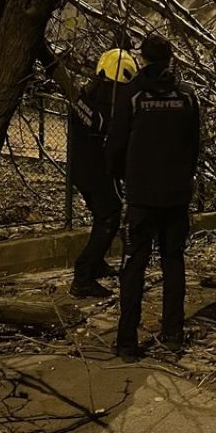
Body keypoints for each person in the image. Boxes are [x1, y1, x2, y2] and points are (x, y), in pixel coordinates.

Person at [106, 34, 202, 362]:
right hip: (176, 195)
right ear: (171, 58)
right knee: (173, 262)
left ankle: (127, 341)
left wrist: (119, 178)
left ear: (142, 58)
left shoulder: (131, 95)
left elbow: (116, 144)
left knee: (134, 264)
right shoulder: (187, 97)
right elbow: (194, 147)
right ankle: (173, 333)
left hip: (142, 196)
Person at [66, 49, 139, 298]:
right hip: (98, 172)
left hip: (81, 169)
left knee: (103, 217)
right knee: (109, 218)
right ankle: (83, 275)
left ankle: (95, 265)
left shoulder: (86, 95)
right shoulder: (106, 106)